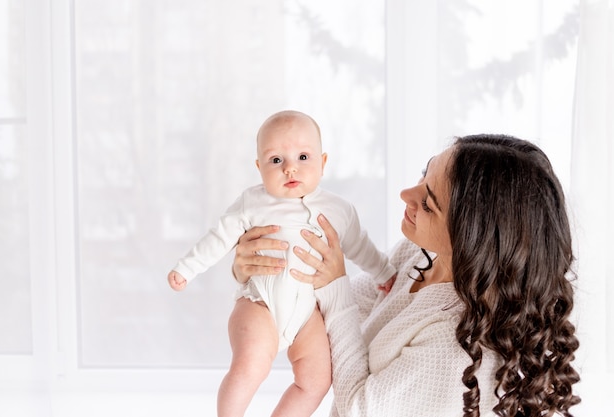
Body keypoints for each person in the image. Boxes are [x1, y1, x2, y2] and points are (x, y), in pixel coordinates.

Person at [232, 134, 582, 417]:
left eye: (428, 203)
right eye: (423, 176)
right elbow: (335, 313)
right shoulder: (422, 254)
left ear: (472, 240)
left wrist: (333, 284)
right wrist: (262, 272)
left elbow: (357, 407)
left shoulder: (455, 347)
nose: (406, 195)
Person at [167, 110, 396, 417]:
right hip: (260, 303)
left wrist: (383, 272)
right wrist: (186, 268)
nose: (290, 168)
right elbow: (219, 237)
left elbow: (360, 246)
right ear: (259, 167)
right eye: (276, 160)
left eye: (303, 157)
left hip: (307, 314)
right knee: (251, 366)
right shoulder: (253, 202)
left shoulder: (339, 209)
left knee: (316, 381)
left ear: (323, 163)